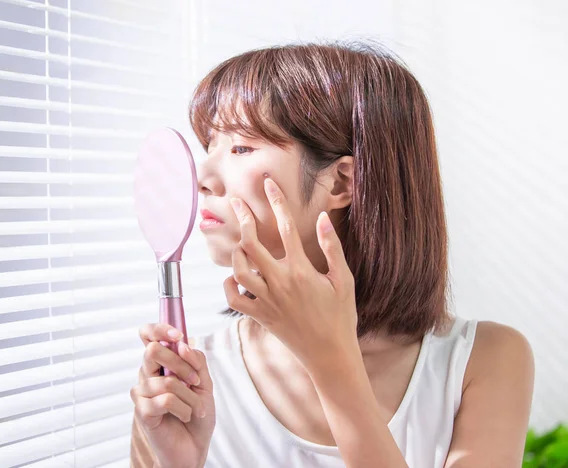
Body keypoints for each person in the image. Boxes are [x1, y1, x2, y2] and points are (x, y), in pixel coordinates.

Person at [129, 40, 535, 468]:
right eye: (209, 145)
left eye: (241, 147)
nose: (202, 178)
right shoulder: (185, 382)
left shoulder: (484, 361)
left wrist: (329, 362)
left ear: (342, 183)